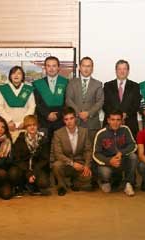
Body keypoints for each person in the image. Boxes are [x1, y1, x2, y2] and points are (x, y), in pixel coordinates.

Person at [65, 57, 103, 189]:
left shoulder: (98, 84)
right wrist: (79, 112)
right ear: (79, 67)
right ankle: (75, 180)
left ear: (92, 68)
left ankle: (93, 179)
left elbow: (100, 102)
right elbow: (68, 99)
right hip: (76, 123)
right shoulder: (72, 83)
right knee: (76, 151)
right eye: (84, 66)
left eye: (89, 66)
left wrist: (88, 113)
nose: (86, 68)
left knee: (92, 151)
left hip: (92, 123)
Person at [93, 109, 138, 196]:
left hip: (122, 159)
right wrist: (109, 161)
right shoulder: (101, 133)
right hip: (107, 163)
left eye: (118, 120)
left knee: (133, 157)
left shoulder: (125, 129)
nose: (115, 122)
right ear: (108, 120)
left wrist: (121, 153)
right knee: (105, 173)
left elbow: (133, 145)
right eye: (113, 120)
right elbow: (96, 154)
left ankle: (128, 184)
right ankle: (105, 181)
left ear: (122, 120)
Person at [52, 107, 92, 196]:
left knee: (89, 176)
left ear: (75, 119)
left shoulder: (84, 132)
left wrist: (86, 165)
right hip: (66, 163)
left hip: (80, 162)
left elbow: (88, 150)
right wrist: (72, 163)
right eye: (66, 119)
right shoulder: (58, 133)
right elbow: (58, 154)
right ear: (63, 121)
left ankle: (75, 182)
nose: (69, 121)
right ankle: (62, 186)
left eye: (71, 118)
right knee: (56, 166)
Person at [9, 115, 51, 196]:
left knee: (44, 183)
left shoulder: (43, 140)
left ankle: (34, 186)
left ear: (37, 126)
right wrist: (28, 173)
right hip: (23, 168)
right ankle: (20, 186)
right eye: (29, 125)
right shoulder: (20, 139)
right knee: (13, 173)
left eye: (34, 125)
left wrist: (34, 172)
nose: (32, 127)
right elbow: (17, 159)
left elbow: (44, 160)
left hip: (37, 168)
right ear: (25, 127)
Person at [103, 59, 141, 138]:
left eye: (124, 69)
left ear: (128, 71)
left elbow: (136, 104)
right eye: (119, 69)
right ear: (116, 70)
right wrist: (117, 116)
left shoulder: (135, 86)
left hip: (130, 124)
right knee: (109, 149)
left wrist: (126, 114)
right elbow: (105, 104)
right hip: (111, 124)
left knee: (129, 149)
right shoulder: (107, 85)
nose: (122, 71)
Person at [0, 66, 36, 142]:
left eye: (19, 73)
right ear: (10, 76)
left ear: (23, 76)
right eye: (13, 73)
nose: (16, 75)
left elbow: (32, 106)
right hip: (8, 124)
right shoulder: (4, 89)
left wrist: (24, 122)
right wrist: (9, 121)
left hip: (24, 125)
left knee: (23, 146)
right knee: (8, 146)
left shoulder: (28, 89)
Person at [32, 56, 68, 139]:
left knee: (60, 148)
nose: (51, 69)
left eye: (54, 66)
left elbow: (67, 102)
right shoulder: (37, 84)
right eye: (48, 66)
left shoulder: (66, 82)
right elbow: (37, 102)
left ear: (58, 68)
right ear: (45, 68)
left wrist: (58, 115)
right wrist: (47, 114)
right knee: (44, 148)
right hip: (44, 122)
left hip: (60, 122)